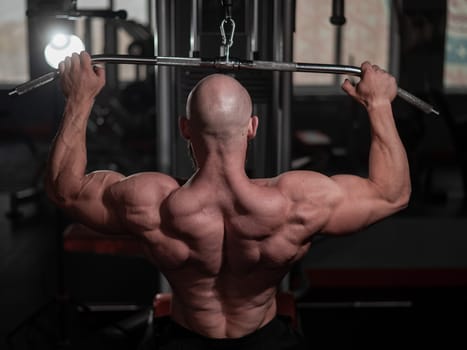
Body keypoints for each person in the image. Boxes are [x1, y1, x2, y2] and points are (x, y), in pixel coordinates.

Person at [44, 51, 411, 349]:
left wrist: (80, 98)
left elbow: (65, 189)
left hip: (186, 339)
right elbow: (392, 194)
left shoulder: (150, 204)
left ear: (184, 127)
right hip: (266, 341)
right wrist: (379, 104)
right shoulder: (296, 204)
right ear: (252, 127)